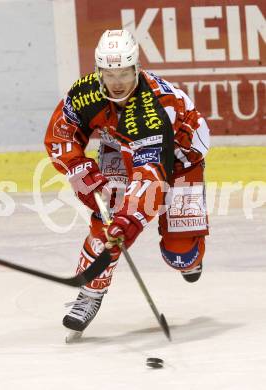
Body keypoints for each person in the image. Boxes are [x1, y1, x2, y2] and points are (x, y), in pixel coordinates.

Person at [44, 29, 210, 337]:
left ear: (137, 70)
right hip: (120, 146)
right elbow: (60, 135)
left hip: (180, 157)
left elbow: (150, 178)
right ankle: (90, 293)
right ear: (98, 72)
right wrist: (85, 176)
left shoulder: (152, 110)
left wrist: (130, 220)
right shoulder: (85, 92)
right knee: (107, 220)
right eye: (109, 73)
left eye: (124, 73)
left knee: (180, 254)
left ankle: (189, 256)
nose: (117, 82)